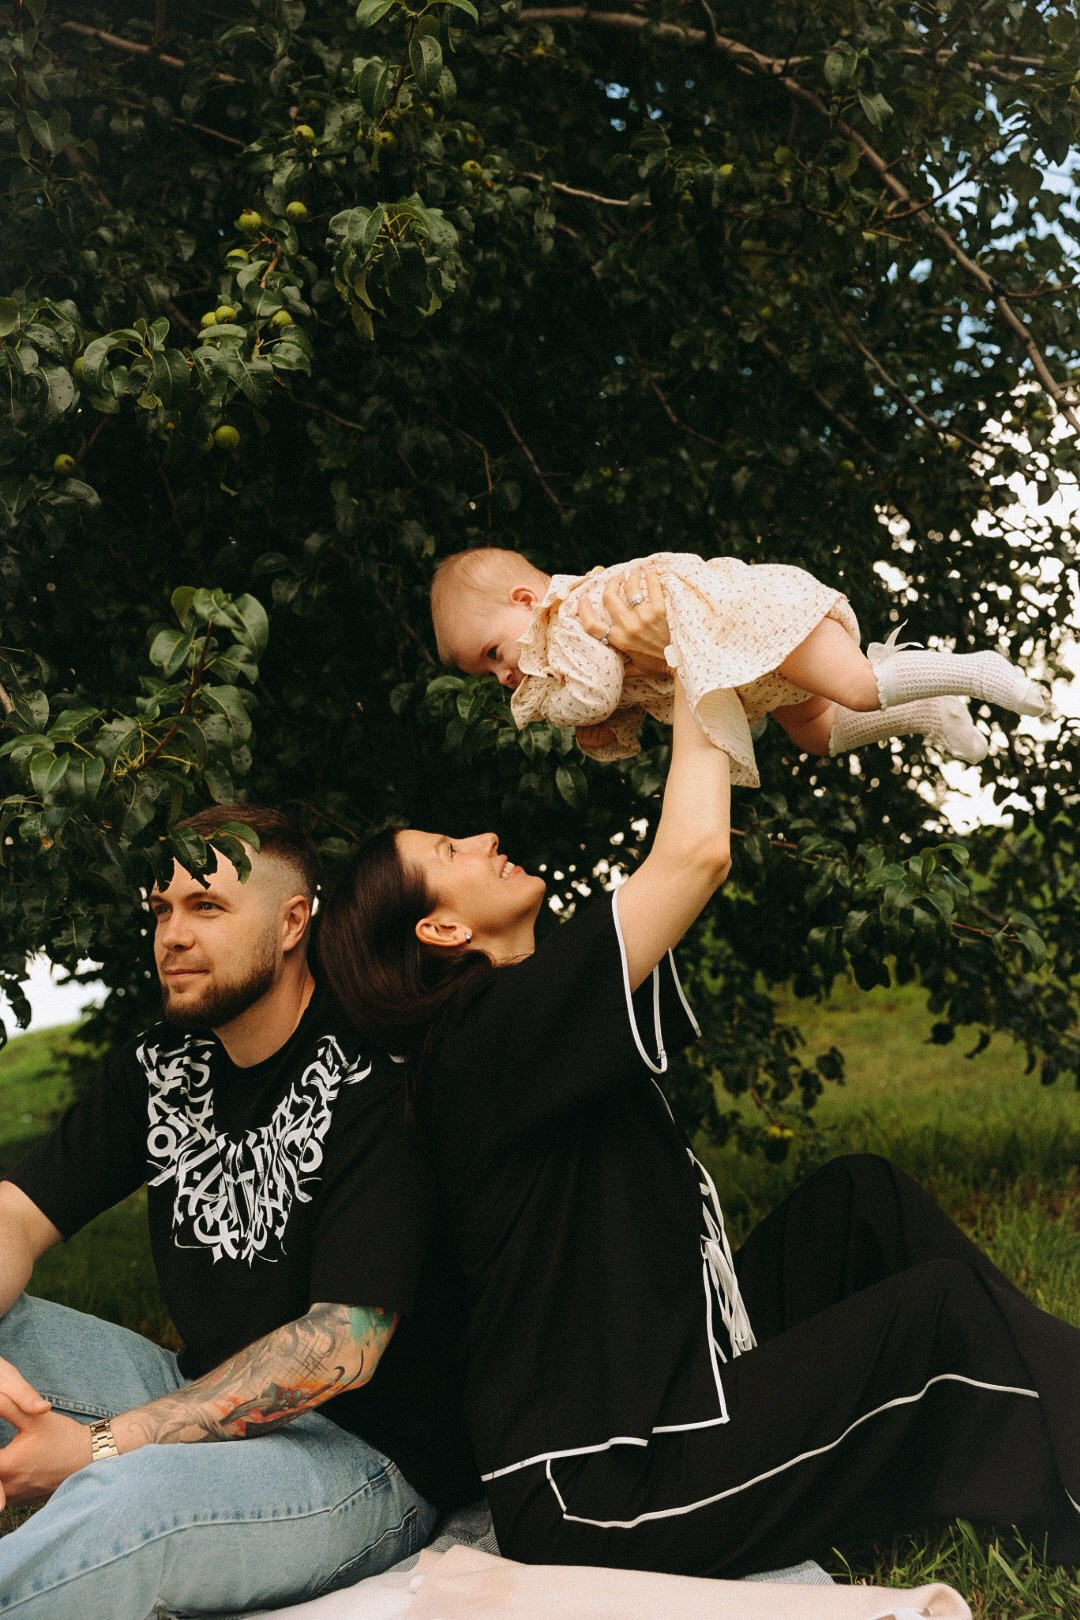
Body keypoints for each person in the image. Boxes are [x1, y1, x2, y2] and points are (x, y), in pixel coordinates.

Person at [316, 594, 1079, 1580]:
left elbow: (687, 842)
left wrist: (707, 676)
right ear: (441, 930)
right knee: (937, 1319)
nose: (483, 839)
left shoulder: (522, 1021)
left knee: (860, 1202)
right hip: (609, 1487)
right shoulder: (482, 1037)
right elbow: (694, 854)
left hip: (680, 1376)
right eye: (448, 854)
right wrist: (697, 656)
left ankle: (1059, 1409)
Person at [0, 805, 476, 1619]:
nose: (172, 936)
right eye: (162, 910)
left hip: (361, 1458)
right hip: (196, 1394)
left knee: (127, 1500)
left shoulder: (374, 1074)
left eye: (207, 907)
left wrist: (100, 1447)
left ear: (293, 923)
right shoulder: (159, 1065)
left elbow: (343, 1347)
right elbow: (15, 1215)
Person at [429, 545, 1047, 785]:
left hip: (750, 622)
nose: (504, 676)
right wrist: (608, 734)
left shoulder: (567, 618)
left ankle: (977, 670)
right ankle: (930, 710)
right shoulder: (565, 645)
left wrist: (565, 714)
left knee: (859, 687)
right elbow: (632, 693)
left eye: (494, 654)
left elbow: (597, 690)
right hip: (747, 668)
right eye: (488, 676)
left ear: (525, 601)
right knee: (816, 734)